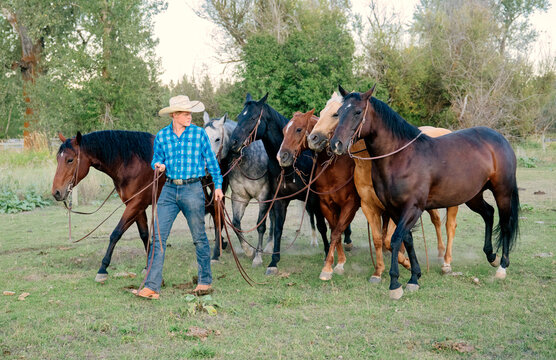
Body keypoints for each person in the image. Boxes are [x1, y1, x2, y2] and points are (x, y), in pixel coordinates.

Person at [133, 95, 224, 299]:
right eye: (185, 113)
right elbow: (157, 158)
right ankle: (152, 286)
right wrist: (158, 165)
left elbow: (211, 162)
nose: (189, 116)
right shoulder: (162, 136)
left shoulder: (199, 135)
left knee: (199, 237)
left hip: (193, 189)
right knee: (157, 236)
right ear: (174, 115)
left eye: (190, 113)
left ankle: (204, 281)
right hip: (169, 190)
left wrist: (218, 186)